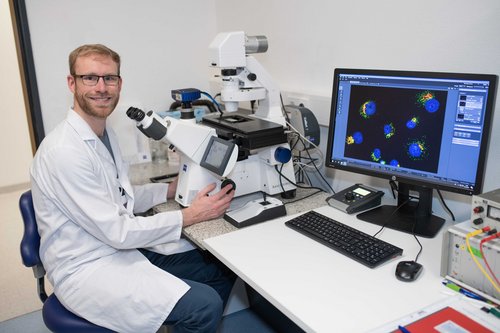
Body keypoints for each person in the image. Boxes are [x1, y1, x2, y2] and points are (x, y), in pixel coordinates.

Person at [30, 44, 236, 333]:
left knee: (219, 269)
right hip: (87, 267)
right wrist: (191, 216)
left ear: (119, 83)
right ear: (71, 82)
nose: (101, 87)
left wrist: (167, 190)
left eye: (109, 78)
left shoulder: (103, 133)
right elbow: (118, 231)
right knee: (204, 306)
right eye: (90, 78)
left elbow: (118, 197)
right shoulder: (65, 151)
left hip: (116, 248)